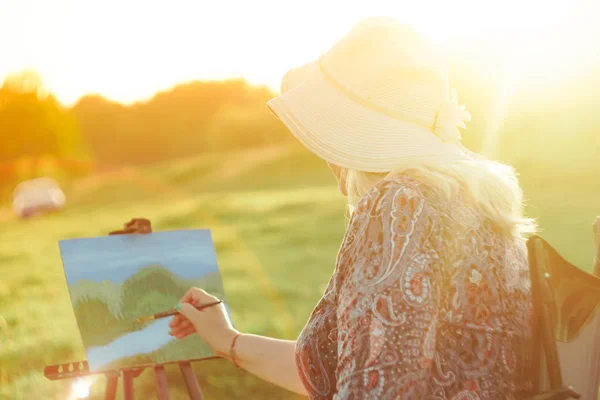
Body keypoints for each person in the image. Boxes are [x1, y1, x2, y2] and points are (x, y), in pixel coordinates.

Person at [150, 17, 541, 399]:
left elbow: (375, 388)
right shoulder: (474, 204)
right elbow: (338, 373)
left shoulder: (400, 207)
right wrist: (228, 341)